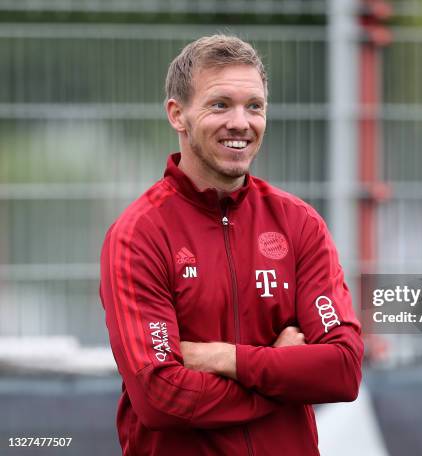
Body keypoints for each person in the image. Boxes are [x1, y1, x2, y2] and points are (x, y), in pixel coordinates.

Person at [99, 34, 363, 456]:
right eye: (220, 104)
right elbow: (160, 396)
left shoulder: (299, 224)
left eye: (254, 106)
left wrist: (226, 358)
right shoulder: (139, 235)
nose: (241, 121)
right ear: (178, 115)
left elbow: (343, 370)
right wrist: (279, 378)